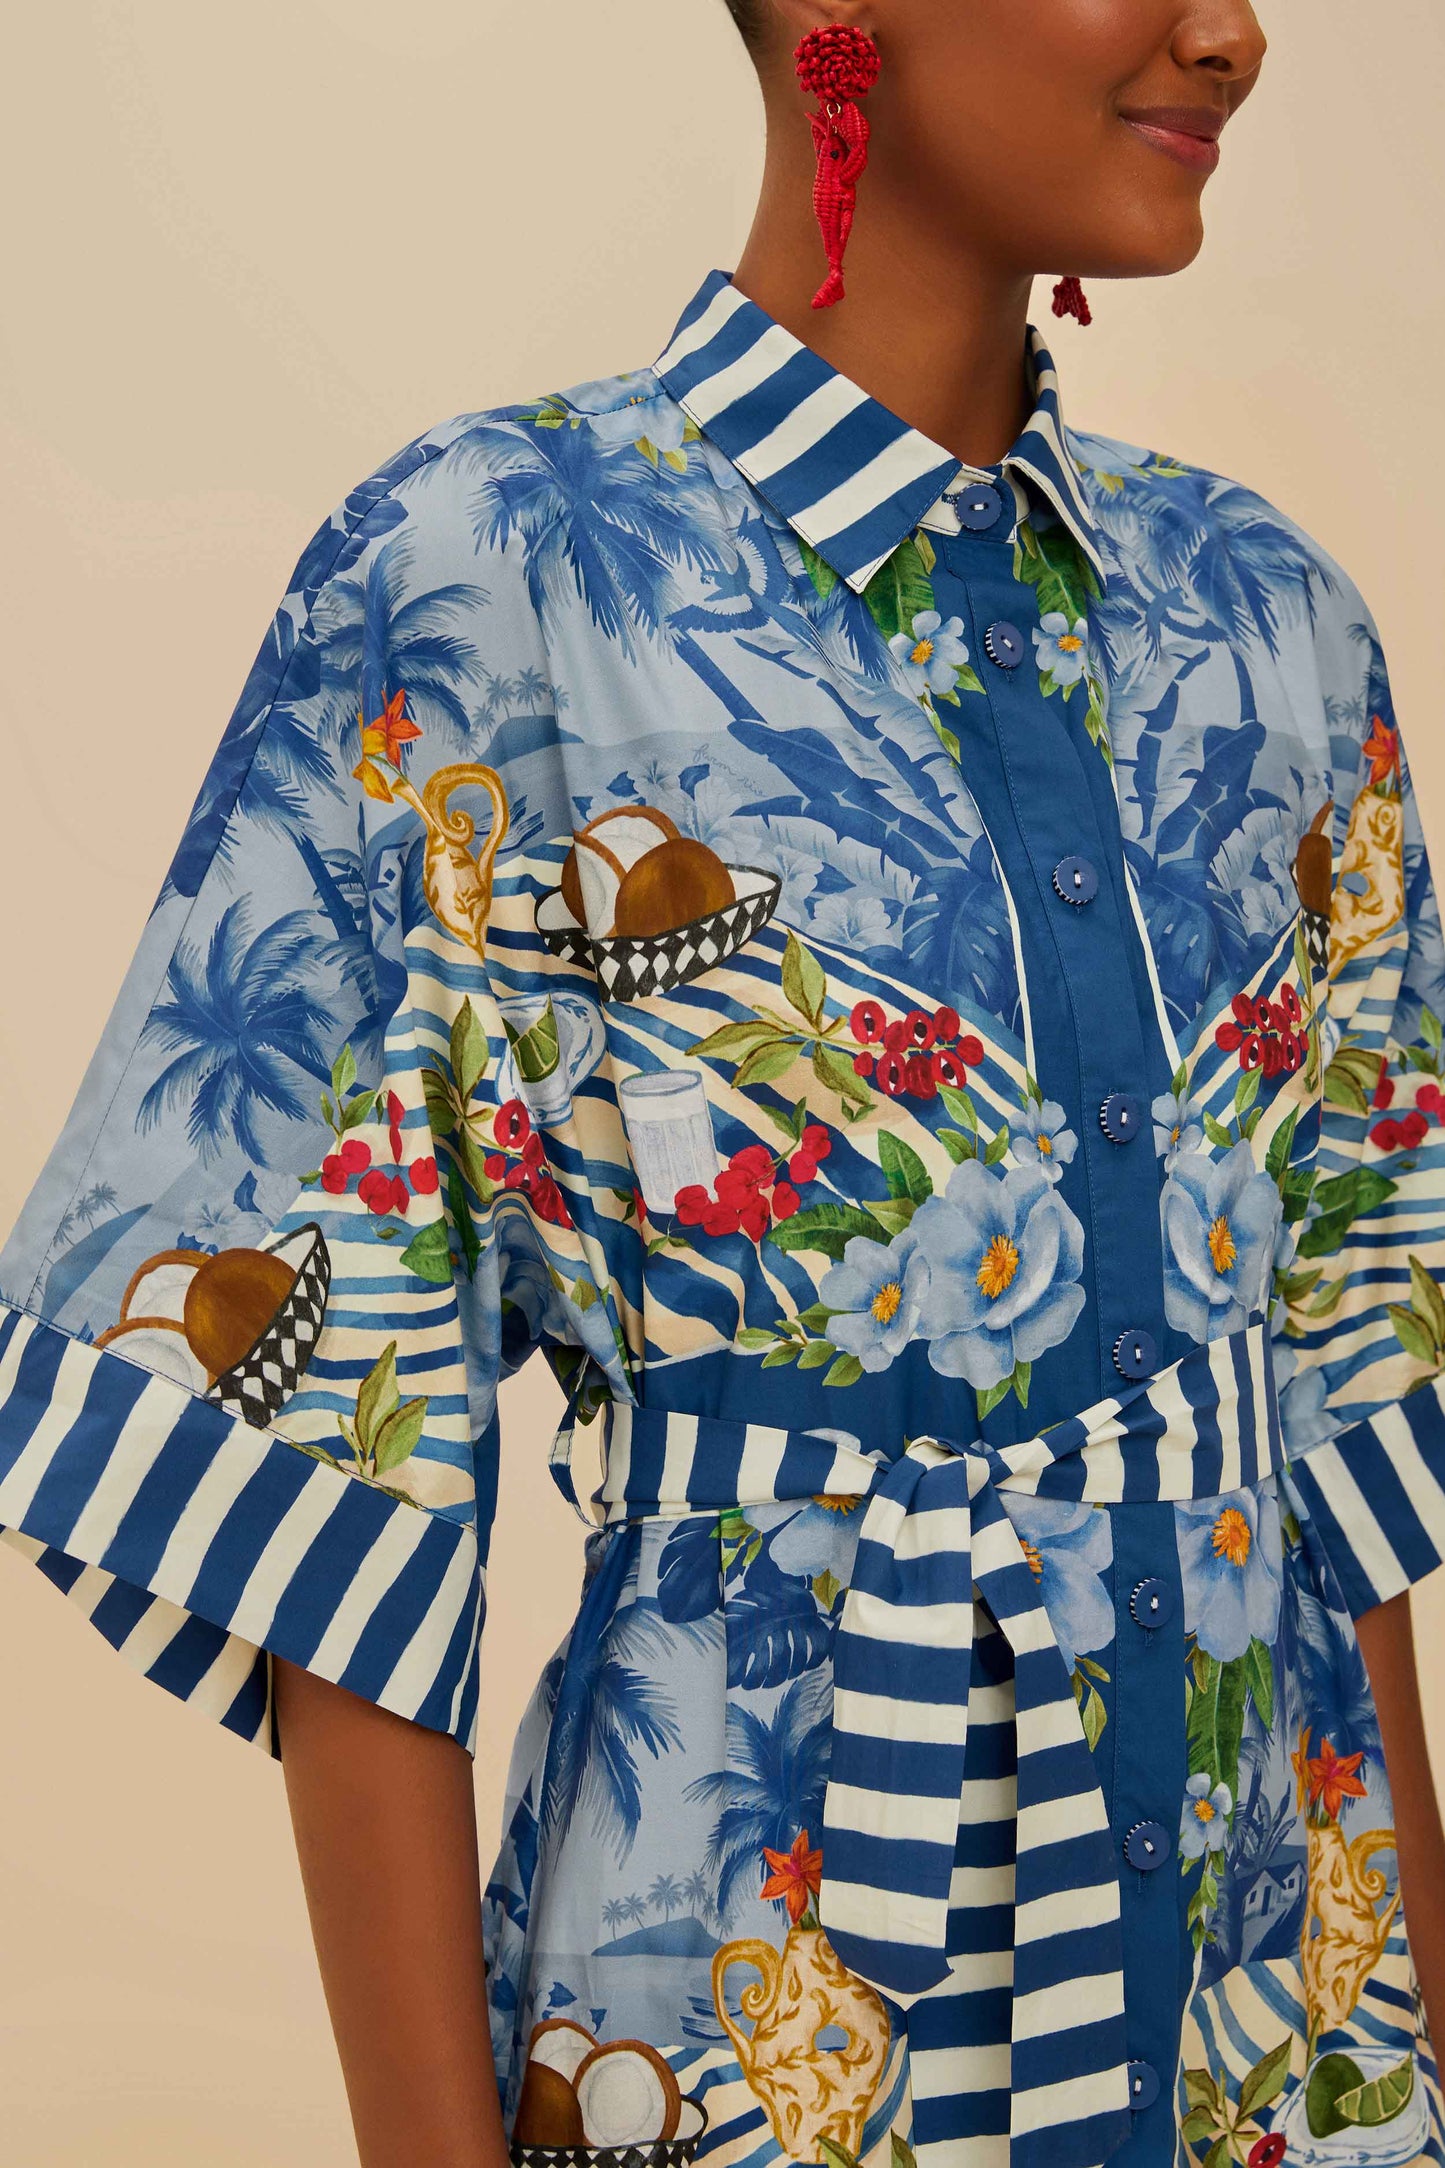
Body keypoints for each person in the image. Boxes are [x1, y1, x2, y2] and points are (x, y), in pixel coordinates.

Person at [3, 2, 1443, 2164]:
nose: (1229, 30)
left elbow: (1337, 1442)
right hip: (736, 2037)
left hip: (1280, 2064)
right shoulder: (490, 575)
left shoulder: (1275, 626)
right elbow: (331, 1469)